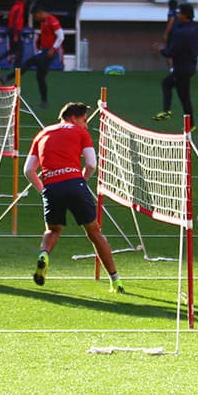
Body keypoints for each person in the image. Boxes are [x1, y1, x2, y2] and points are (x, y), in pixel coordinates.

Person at [26, 102, 124, 293]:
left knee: (52, 230)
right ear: (73, 118)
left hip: (52, 186)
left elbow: (29, 170)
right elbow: (91, 164)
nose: (86, 125)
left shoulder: (42, 134)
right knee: (95, 233)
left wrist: (43, 190)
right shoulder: (80, 133)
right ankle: (116, 281)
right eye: (84, 120)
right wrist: (82, 181)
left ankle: (44, 255)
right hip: (75, 183)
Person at [153, 3, 198, 126]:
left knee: (183, 95)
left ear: (185, 15)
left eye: (180, 13)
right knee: (168, 84)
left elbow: (171, 52)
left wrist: (160, 50)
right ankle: (170, 114)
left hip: (182, 68)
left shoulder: (182, 33)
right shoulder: (196, 28)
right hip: (190, 65)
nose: (177, 15)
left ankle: (188, 123)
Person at [18, 7, 62, 110]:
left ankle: (8, 77)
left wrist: (53, 48)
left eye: (35, 16)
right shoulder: (44, 22)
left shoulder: (52, 20)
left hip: (49, 52)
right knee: (40, 77)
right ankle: (44, 102)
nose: (35, 18)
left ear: (40, 12)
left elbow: (61, 36)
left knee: (31, 61)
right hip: (44, 51)